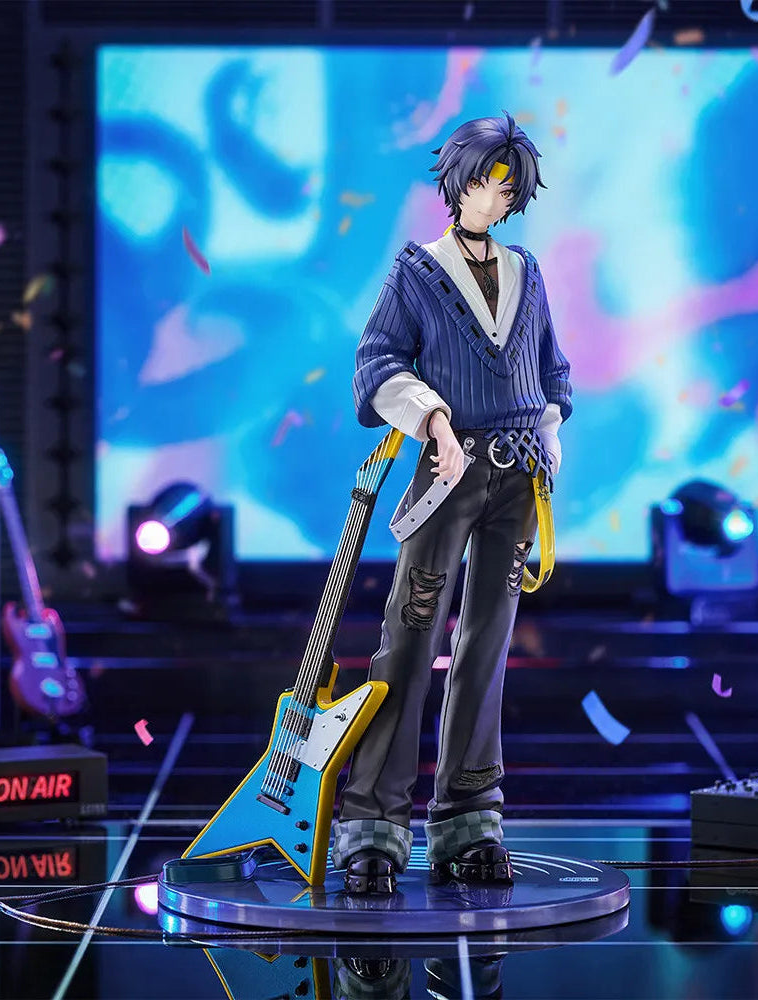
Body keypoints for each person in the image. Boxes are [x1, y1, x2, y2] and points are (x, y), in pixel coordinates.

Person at [331, 112, 572, 893]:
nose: (492, 199)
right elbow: (376, 362)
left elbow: (551, 369)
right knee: (409, 635)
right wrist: (432, 418)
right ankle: (372, 822)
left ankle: (471, 818)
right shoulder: (417, 272)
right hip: (447, 472)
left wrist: (551, 430)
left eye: (506, 189)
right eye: (482, 183)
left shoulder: (527, 272)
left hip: (518, 474)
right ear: (456, 182)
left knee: (486, 645)